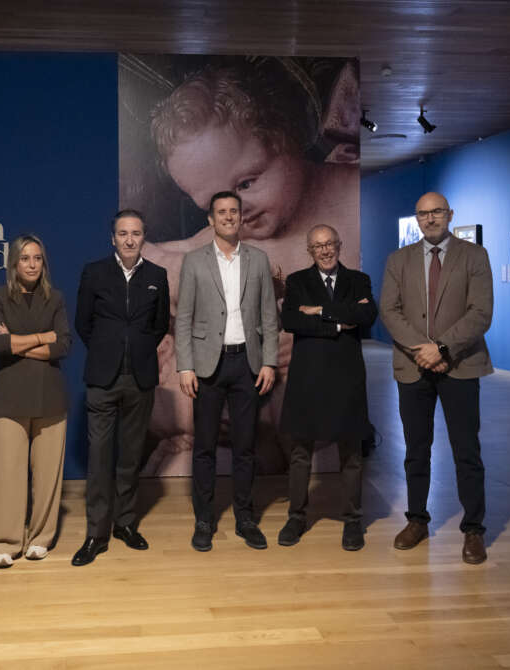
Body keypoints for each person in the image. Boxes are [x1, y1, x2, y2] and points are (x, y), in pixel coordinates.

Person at [137, 61, 359, 477]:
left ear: (287, 138)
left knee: (322, 458)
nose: (236, 210)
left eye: (247, 183)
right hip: (239, 419)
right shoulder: (214, 244)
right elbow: (152, 258)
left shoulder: (353, 200)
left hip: (312, 423)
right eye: (213, 203)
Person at [379, 192, 494, 565]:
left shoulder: (474, 256)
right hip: (413, 367)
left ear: (450, 214)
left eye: (436, 212)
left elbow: (481, 313)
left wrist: (442, 349)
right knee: (416, 450)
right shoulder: (399, 259)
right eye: (423, 214)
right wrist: (423, 350)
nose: (430, 219)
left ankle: (473, 529)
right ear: (417, 218)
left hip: (460, 365)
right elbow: (390, 311)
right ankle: (416, 520)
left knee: (467, 451)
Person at [174, 191, 279, 551]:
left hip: (247, 364)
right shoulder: (193, 261)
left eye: (234, 211)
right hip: (206, 365)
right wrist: (185, 366)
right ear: (210, 219)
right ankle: (204, 519)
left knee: (244, 447)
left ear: (240, 216)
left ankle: (245, 518)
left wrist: (269, 360)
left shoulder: (259, 260)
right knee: (204, 447)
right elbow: (183, 318)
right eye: (221, 212)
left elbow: (269, 316)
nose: (229, 217)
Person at [72, 210, 170, 566]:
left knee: (130, 458)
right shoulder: (94, 272)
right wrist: (107, 350)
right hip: (102, 378)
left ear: (144, 237)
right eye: (123, 233)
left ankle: (125, 523)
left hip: (140, 379)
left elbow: (159, 326)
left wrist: (137, 351)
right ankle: (96, 533)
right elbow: (83, 323)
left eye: (136, 233)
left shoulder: (157, 275)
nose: (129, 239)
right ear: (112, 238)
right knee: (100, 459)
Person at [278, 224, 377, 551]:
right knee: (300, 454)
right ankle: (296, 517)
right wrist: (339, 323)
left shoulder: (358, 280)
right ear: (310, 250)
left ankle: (352, 521)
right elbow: (291, 321)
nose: (325, 250)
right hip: (307, 379)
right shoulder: (296, 281)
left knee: (351, 456)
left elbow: (366, 315)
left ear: (340, 245)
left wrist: (320, 311)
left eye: (330, 244)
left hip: (346, 379)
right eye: (318, 245)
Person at [0, 234, 71, 568]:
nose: (32, 264)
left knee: (48, 476)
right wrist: (40, 338)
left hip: (50, 396)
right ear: (14, 263)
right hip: (9, 396)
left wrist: (17, 340)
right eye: (25, 258)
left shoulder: (56, 299)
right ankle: (3, 543)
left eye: (37, 258)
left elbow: (62, 345)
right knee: (8, 473)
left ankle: (40, 539)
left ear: (43, 263)